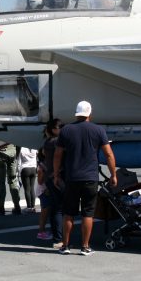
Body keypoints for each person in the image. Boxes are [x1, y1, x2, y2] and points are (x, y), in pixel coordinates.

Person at [54, 101, 117, 256]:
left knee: (68, 212)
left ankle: (66, 246)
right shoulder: (98, 130)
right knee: (88, 213)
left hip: (72, 177)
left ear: (76, 113)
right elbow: (108, 154)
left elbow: (58, 154)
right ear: (90, 113)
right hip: (90, 178)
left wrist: (56, 174)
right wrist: (113, 175)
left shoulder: (66, 130)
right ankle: (85, 247)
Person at [38, 118, 64, 246]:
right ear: (53, 129)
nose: (62, 129)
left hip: (49, 178)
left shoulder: (47, 142)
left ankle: (57, 236)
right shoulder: (56, 142)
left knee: (55, 208)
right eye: (60, 127)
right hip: (56, 177)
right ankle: (59, 238)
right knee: (59, 209)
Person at [18, 147, 38, 212]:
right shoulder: (34, 148)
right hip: (33, 168)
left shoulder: (21, 148)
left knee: (27, 189)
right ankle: (33, 206)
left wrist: (18, 171)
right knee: (32, 188)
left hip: (25, 169)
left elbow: (19, 161)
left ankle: (29, 207)